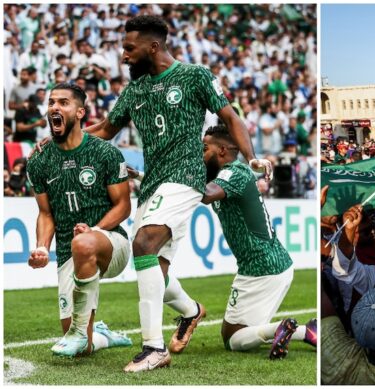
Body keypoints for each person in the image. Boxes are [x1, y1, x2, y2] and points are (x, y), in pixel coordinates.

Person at [70, 15, 270, 372]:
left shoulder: (194, 76)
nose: (124, 55)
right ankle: (191, 311)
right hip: (153, 183)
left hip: (186, 177)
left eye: (130, 48)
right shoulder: (135, 90)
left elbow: (232, 117)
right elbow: (106, 129)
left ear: (154, 46)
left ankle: (153, 348)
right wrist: (67, 138)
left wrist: (253, 159)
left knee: (144, 244)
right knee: (152, 266)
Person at [26, 84, 133, 357]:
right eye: (51, 103)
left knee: (84, 242)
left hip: (111, 243)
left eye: (63, 103)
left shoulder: (105, 153)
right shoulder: (38, 161)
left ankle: (79, 331)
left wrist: (95, 230)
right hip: (67, 251)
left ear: (80, 112)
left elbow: (123, 206)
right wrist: (41, 247)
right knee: (82, 349)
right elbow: (46, 213)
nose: (54, 108)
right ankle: (100, 335)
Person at [200, 125, 316, 358]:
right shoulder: (229, 174)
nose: (201, 155)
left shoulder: (234, 173)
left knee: (233, 339)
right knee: (238, 332)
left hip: (261, 267)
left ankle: (281, 328)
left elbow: (204, 194)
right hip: (268, 264)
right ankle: (308, 331)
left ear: (222, 151)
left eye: (204, 149)